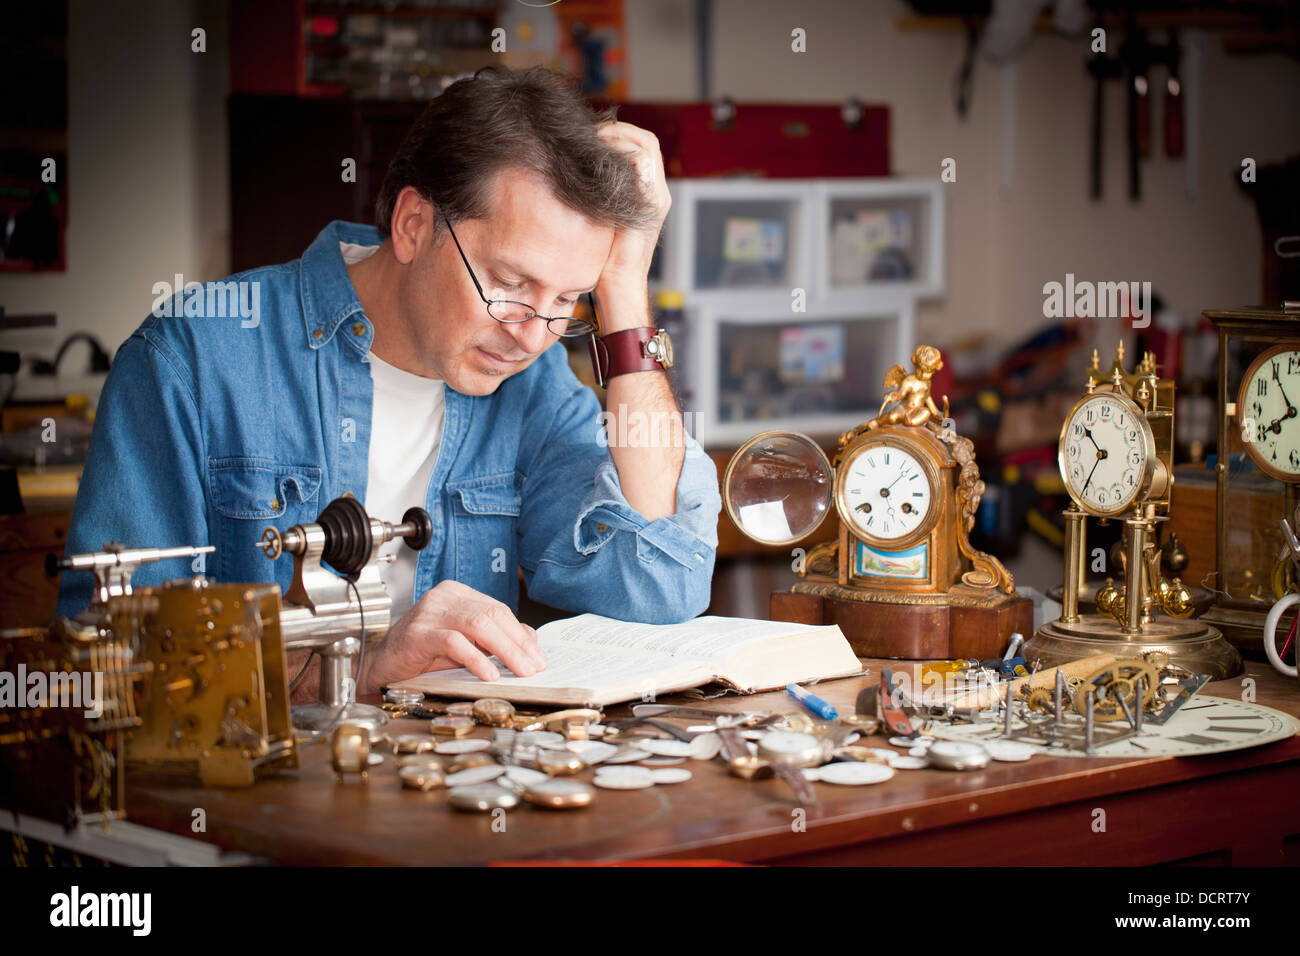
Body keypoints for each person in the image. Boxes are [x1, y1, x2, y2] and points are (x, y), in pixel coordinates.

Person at [56, 67, 721, 701]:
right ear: (412, 226)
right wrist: (366, 670)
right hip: (250, 806)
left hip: (462, 796)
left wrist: (625, 292)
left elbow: (660, 582)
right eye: (511, 286)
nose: (532, 335)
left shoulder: (529, 378)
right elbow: (112, 666)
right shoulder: (194, 357)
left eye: (569, 300)